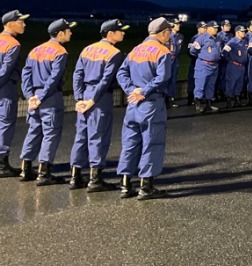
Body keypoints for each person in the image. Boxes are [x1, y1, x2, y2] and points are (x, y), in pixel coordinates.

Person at [116, 17, 173, 200]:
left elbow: (121, 72)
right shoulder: (162, 51)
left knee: (130, 143)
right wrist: (144, 91)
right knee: (152, 142)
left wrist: (131, 90)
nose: (169, 36)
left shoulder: (135, 50)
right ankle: (146, 187)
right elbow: (162, 77)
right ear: (163, 33)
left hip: (133, 104)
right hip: (151, 103)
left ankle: (125, 184)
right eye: (168, 33)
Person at [69, 19, 128, 192]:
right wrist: (92, 100)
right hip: (99, 98)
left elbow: (77, 74)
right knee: (99, 136)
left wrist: (79, 98)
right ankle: (95, 179)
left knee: (81, 136)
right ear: (110, 34)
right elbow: (106, 80)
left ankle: (75, 176)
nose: (123, 33)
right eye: (120, 30)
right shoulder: (115, 53)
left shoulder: (87, 49)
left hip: (85, 94)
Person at [19, 18, 76, 185]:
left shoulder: (35, 50)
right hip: (50, 97)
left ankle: (25, 169)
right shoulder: (60, 52)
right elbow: (54, 78)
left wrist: (30, 96)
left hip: (34, 97)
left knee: (33, 132)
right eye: (68, 30)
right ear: (60, 33)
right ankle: (44, 173)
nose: (71, 32)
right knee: (51, 134)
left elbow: (26, 74)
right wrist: (41, 96)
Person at [0, 10, 28, 178]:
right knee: (5, 123)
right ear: (10, 23)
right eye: (20, 21)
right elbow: (5, 70)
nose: (24, 24)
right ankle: (2, 163)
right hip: (5, 87)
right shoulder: (13, 44)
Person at [189, 21, 221, 113]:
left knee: (210, 85)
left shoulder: (217, 39)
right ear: (208, 28)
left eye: (217, 28)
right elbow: (192, 50)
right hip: (204, 65)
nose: (216, 29)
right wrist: (202, 56)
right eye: (214, 27)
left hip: (214, 65)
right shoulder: (201, 38)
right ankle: (198, 105)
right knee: (200, 84)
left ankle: (209, 105)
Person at [222, 25, 249, 108]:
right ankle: (229, 100)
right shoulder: (232, 42)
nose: (244, 33)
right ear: (237, 32)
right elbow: (224, 53)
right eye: (242, 31)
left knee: (239, 83)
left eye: (244, 31)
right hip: (234, 65)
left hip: (242, 66)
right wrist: (230, 59)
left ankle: (237, 99)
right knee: (231, 83)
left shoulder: (244, 41)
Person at [166, 19, 183, 108]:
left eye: (179, 24)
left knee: (173, 79)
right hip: (168, 59)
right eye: (177, 24)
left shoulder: (180, 36)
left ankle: (171, 98)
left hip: (176, 59)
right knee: (166, 78)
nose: (178, 25)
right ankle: (164, 98)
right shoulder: (167, 36)